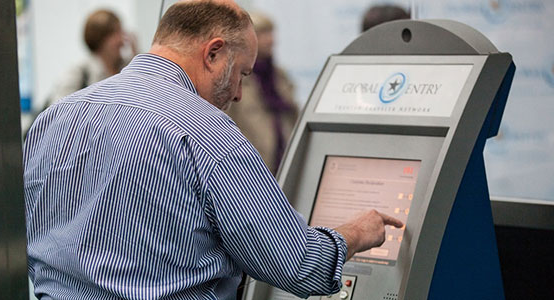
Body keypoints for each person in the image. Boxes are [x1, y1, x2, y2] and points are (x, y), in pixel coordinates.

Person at [24, 1, 403, 299]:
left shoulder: (57, 116)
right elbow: (299, 265)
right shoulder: (206, 131)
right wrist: (358, 231)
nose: (238, 93)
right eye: (242, 72)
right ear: (214, 53)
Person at [225, 12, 299, 174]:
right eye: (263, 34)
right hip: (249, 165)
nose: (271, 40)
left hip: (283, 160)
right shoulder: (235, 78)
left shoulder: (280, 76)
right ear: (248, 39)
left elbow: (294, 116)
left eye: (271, 33)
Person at [46, 9, 137, 107]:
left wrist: (136, 56)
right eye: (115, 33)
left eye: (121, 32)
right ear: (100, 39)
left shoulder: (127, 68)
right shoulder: (79, 73)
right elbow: (59, 113)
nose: (121, 40)